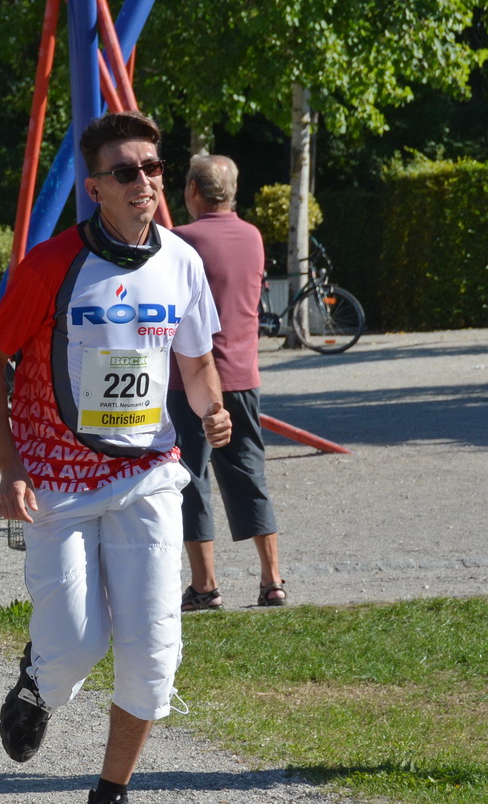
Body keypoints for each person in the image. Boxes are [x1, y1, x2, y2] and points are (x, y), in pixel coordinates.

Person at [0, 111, 231, 804]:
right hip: (57, 477)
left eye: (153, 167)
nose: (144, 181)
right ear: (94, 188)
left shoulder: (181, 261)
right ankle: (39, 683)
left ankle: (110, 798)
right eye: (126, 171)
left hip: (148, 472)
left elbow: (195, 360)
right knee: (77, 645)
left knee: (155, 652)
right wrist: (10, 465)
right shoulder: (52, 265)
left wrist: (211, 410)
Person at [170, 155, 287, 610]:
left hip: (192, 378)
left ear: (193, 191)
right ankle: (272, 579)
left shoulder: (181, 241)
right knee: (248, 473)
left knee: (191, 478)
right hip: (243, 374)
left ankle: (205, 586)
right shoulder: (253, 237)